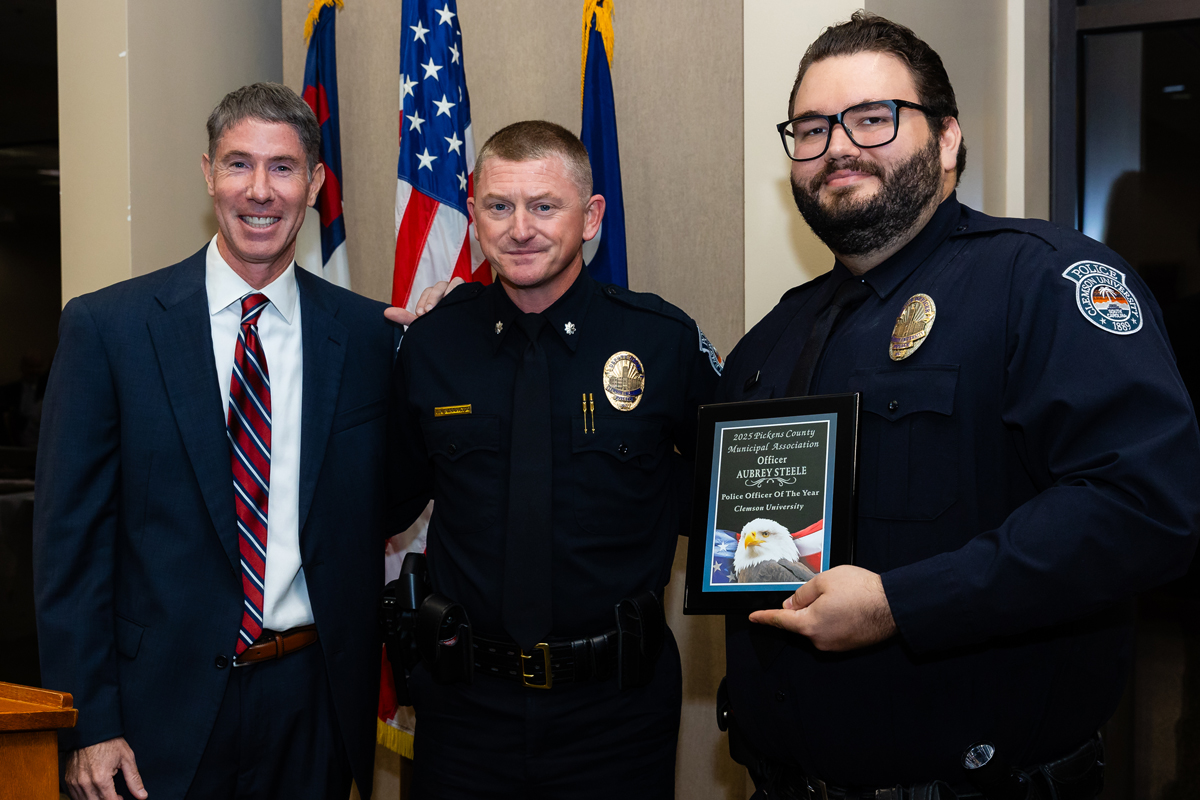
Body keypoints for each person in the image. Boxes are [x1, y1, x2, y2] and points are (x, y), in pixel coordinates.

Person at [717, 12, 1200, 799]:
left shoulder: (1043, 281)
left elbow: (1143, 509)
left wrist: (900, 605)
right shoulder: (773, 337)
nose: (837, 145)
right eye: (811, 128)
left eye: (872, 118)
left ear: (946, 142)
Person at [33, 83, 398, 800]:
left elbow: (396, 486)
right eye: (239, 164)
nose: (260, 191)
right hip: (152, 715)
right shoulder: (110, 329)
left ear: (316, 184)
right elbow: (68, 549)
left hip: (312, 704)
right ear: (208, 173)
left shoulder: (365, 336)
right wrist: (91, 721)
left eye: (284, 168)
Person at [388, 120, 721, 799]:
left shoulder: (661, 341)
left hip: (615, 712)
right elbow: (387, 500)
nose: (520, 229)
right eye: (499, 206)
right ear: (474, 213)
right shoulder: (433, 346)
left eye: (544, 206)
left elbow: (732, 495)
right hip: (465, 709)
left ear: (591, 217)